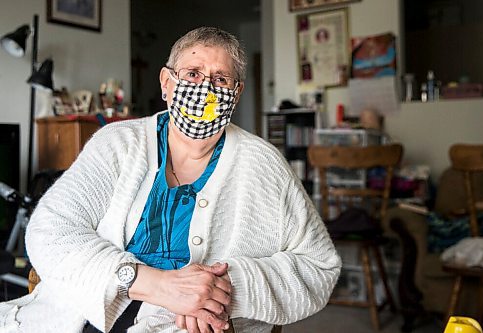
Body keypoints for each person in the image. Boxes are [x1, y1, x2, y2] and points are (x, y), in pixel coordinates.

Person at [0, 27, 341, 333]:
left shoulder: (264, 165)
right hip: (82, 315)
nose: (205, 89)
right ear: (167, 83)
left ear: (235, 95)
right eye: (192, 74)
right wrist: (150, 283)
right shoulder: (117, 143)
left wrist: (222, 289)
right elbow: (50, 230)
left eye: (220, 79)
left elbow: (319, 268)